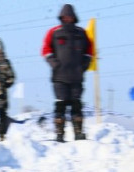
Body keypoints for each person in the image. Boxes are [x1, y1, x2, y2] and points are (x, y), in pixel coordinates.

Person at [42, 4, 94, 142]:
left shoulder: (81, 33)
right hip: (59, 77)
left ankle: (78, 132)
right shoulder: (54, 32)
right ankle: (60, 134)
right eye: (65, 16)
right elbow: (45, 49)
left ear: (74, 17)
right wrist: (54, 63)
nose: (67, 18)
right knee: (61, 104)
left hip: (77, 77)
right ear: (61, 17)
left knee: (76, 105)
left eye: (69, 16)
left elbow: (90, 50)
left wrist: (84, 64)